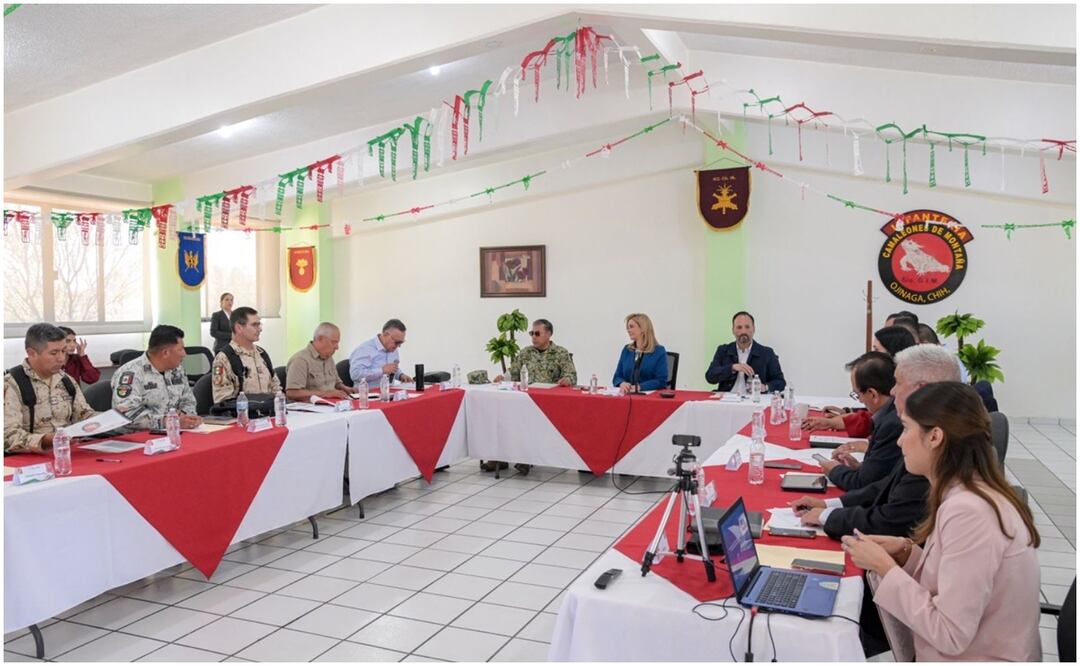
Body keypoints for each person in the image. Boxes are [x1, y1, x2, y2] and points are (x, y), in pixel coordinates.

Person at [842, 382, 1041, 661]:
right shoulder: (968, 491)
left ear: (935, 436)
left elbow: (949, 633)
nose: (900, 440)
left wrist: (884, 567)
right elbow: (952, 583)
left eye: (906, 428)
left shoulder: (971, 512)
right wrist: (907, 553)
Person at [789, 344, 962, 539]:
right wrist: (830, 505)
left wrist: (827, 516)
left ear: (920, 389)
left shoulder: (937, 442)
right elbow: (887, 485)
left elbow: (891, 520)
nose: (892, 391)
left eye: (897, 383)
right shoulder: (930, 428)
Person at [812, 352, 902, 491]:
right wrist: (860, 468)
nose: (859, 401)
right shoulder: (890, 413)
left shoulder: (892, 424)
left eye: (857, 394)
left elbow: (864, 485)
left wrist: (835, 470)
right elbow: (879, 474)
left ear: (872, 394)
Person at [3, 323, 97, 453]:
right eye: (54, 353)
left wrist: (111, 418)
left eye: (63, 351)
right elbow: (7, 436)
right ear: (32, 353)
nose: (61, 359)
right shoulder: (11, 384)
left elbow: (84, 414)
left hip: (68, 453)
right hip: (30, 459)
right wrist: (45, 440)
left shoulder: (66, 380)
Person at [112, 325, 202, 431]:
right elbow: (128, 414)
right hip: (138, 438)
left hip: (176, 432)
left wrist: (187, 418)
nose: (184, 354)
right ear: (165, 353)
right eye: (180, 349)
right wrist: (167, 422)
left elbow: (189, 401)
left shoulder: (177, 370)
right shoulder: (131, 373)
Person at [211, 306, 281, 404]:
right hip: (243, 415)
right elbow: (223, 401)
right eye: (254, 325)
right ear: (239, 328)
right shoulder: (224, 358)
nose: (260, 329)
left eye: (259, 324)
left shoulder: (262, 354)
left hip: (268, 413)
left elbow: (275, 387)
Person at [705, 311, 785, 394]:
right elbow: (710, 377)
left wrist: (765, 387)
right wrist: (732, 368)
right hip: (727, 400)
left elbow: (780, 382)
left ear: (754, 329)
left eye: (747, 327)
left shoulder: (767, 353)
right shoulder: (723, 350)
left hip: (754, 401)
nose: (743, 331)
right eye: (739, 327)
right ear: (733, 330)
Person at [494, 319, 577, 387]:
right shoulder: (525, 352)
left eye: (537, 334)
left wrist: (567, 380)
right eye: (532, 333)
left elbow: (571, 376)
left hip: (551, 397)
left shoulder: (560, 353)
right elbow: (513, 375)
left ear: (548, 334)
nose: (533, 336)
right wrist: (504, 379)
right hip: (527, 397)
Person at [285, 322, 351, 401]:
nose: (337, 347)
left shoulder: (328, 357)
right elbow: (292, 393)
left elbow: (336, 384)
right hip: (310, 408)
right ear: (320, 339)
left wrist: (347, 389)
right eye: (333, 342)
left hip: (332, 405)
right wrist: (325, 394)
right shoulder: (300, 360)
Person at [612, 313, 668, 393]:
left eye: (631, 327)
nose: (628, 330)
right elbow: (617, 376)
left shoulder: (659, 351)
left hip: (649, 398)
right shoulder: (627, 350)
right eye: (627, 327)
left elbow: (661, 381)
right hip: (627, 396)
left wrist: (639, 387)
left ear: (643, 329)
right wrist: (622, 383)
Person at [349, 319, 413, 387]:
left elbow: (392, 369)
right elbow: (355, 375)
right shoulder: (364, 349)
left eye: (401, 342)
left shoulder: (393, 348)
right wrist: (381, 371)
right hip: (367, 394)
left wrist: (400, 375)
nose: (399, 346)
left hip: (388, 393)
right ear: (385, 335)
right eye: (397, 342)